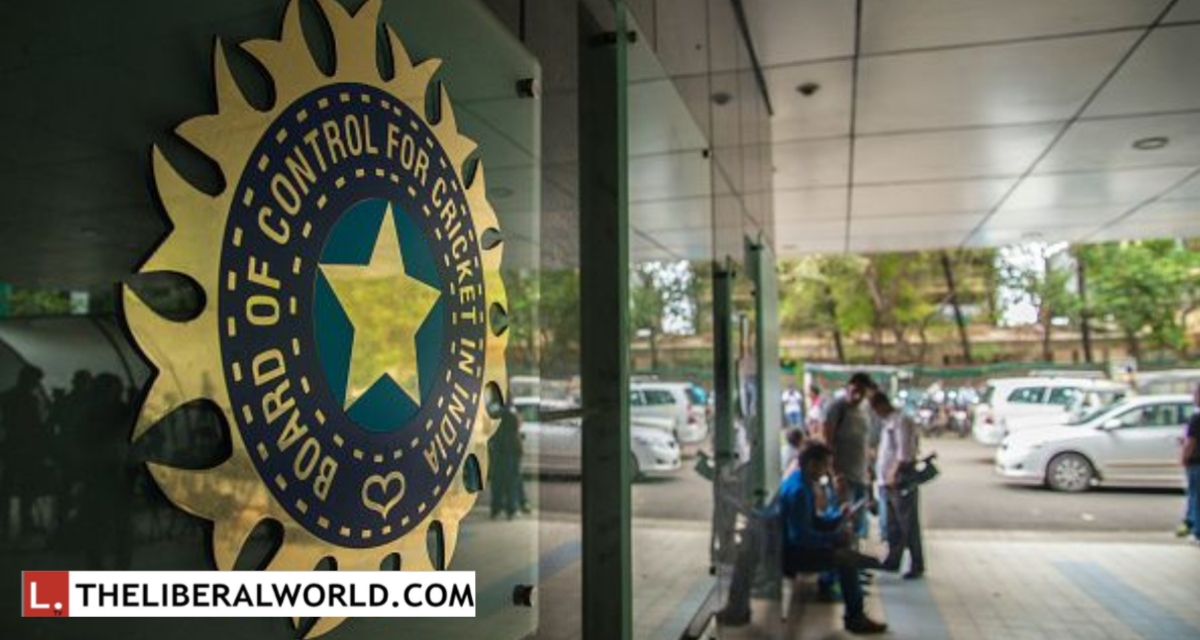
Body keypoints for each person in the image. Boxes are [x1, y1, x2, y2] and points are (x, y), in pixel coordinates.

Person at [779, 443, 887, 634]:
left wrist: (837, 518)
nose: (827, 471)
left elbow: (812, 521)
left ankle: (841, 586)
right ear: (812, 464)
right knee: (846, 560)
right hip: (793, 555)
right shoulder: (800, 491)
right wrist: (832, 538)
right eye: (825, 465)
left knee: (845, 550)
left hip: (795, 548)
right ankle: (855, 618)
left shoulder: (800, 481)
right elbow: (800, 537)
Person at [871, 393, 925, 579]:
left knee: (908, 524)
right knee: (892, 524)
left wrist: (893, 475)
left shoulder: (901, 421)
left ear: (882, 405)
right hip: (886, 481)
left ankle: (916, 563)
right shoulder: (888, 422)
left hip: (899, 479)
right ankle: (893, 559)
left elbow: (905, 453)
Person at [822, 372, 877, 539]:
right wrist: (834, 473)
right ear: (848, 388)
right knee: (841, 519)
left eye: (862, 392)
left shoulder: (865, 409)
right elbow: (827, 441)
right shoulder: (836, 408)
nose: (858, 396)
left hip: (861, 474)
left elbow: (865, 441)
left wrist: (869, 468)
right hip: (843, 476)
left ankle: (855, 550)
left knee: (859, 522)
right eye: (855, 390)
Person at [1179, 384, 1200, 544]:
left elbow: (1190, 442)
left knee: (1195, 496)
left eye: (1195, 393)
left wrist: (1183, 458)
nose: (1193, 397)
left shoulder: (1196, 417)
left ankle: (1195, 529)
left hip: (1196, 462)